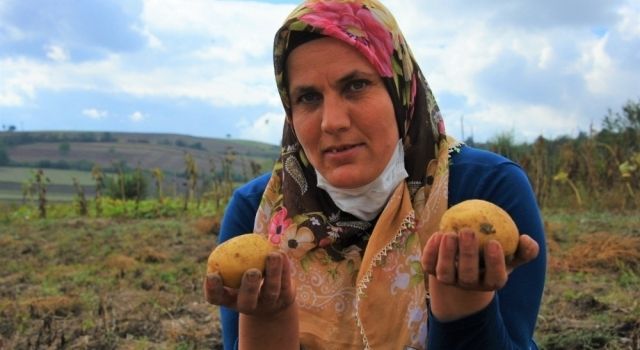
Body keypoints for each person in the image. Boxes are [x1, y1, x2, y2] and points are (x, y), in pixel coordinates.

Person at [204, 0, 546, 349]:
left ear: (401, 91)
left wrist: (464, 307)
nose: (332, 121)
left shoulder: (486, 188)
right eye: (308, 97)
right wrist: (268, 319)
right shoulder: (256, 214)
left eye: (355, 85)